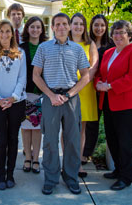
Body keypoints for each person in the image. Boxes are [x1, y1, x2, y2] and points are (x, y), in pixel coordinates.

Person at [32, 13, 90, 195]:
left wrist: (68, 94)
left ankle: (71, 178)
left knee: (72, 141)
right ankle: (50, 179)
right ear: (53, 27)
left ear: (70, 26)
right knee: (50, 141)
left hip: (71, 99)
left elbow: (86, 76)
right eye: (58, 24)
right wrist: (50, 95)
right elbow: (36, 75)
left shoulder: (77, 49)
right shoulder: (43, 48)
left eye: (65, 24)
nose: (62, 27)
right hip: (51, 99)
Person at [95, 20, 132, 191]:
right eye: (115, 33)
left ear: (129, 35)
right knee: (113, 140)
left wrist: (109, 86)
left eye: (121, 32)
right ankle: (118, 170)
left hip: (129, 106)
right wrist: (98, 83)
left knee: (126, 143)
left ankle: (126, 177)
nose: (117, 36)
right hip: (109, 103)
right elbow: (101, 73)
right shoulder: (109, 52)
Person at [0, 20, 27, 190]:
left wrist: (13, 98)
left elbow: (22, 77)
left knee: (13, 139)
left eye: (7, 31)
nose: (4, 34)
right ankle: (1, 176)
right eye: (1, 31)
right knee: (1, 140)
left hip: (16, 102)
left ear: (12, 33)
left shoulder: (20, 53)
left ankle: (11, 175)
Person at [68, 13, 98, 178]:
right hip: (66, 90)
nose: (78, 27)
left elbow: (93, 68)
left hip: (85, 90)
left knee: (81, 130)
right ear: (70, 25)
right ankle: (66, 162)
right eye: (75, 23)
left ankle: (78, 163)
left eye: (81, 24)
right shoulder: (64, 42)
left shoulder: (90, 44)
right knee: (67, 129)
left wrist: (81, 84)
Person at [83, 14, 115, 163]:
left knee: (95, 121)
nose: (99, 28)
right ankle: (80, 151)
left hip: (104, 88)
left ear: (106, 27)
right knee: (86, 121)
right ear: (91, 26)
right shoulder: (86, 42)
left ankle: (87, 152)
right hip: (87, 86)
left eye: (102, 25)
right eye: (96, 25)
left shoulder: (112, 45)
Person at [19, 16, 47, 174]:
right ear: (27, 29)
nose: (35, 30)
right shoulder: (21, 48)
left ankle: (36, 158)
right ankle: (27, 158)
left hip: (42, 94)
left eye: (38, 27)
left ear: (42, 30)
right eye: (32, 27)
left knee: (36, 129)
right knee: (25, 128)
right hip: (25, 94)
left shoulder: (47, 46)